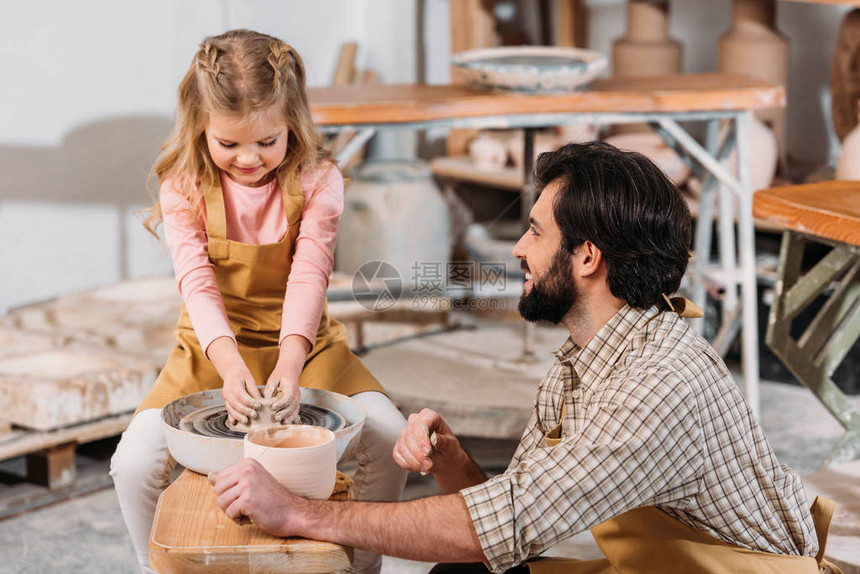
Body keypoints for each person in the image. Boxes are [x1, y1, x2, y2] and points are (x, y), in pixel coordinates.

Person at [211, 141, 841, 574]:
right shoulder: (586, 359)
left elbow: (500, 527)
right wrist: (453, 461)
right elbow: (509, 527)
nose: (516, 248)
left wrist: (298, 512)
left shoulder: (658, 385)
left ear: (588, 257)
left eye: (536, 231)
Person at [110, 29, 407, 574]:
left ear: (293, 123)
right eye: (229, 144)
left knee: (388, 434)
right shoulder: (184, 186)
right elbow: (196, 283)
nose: (250, 159)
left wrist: (291, 364)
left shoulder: (319, 178)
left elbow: (309, 275)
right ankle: (152, 567)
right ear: (199, 127)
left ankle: (362, 565)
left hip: (307, 343)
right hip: (210, 346)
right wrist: (228, 365)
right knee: (131, 463)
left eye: (268, 141)